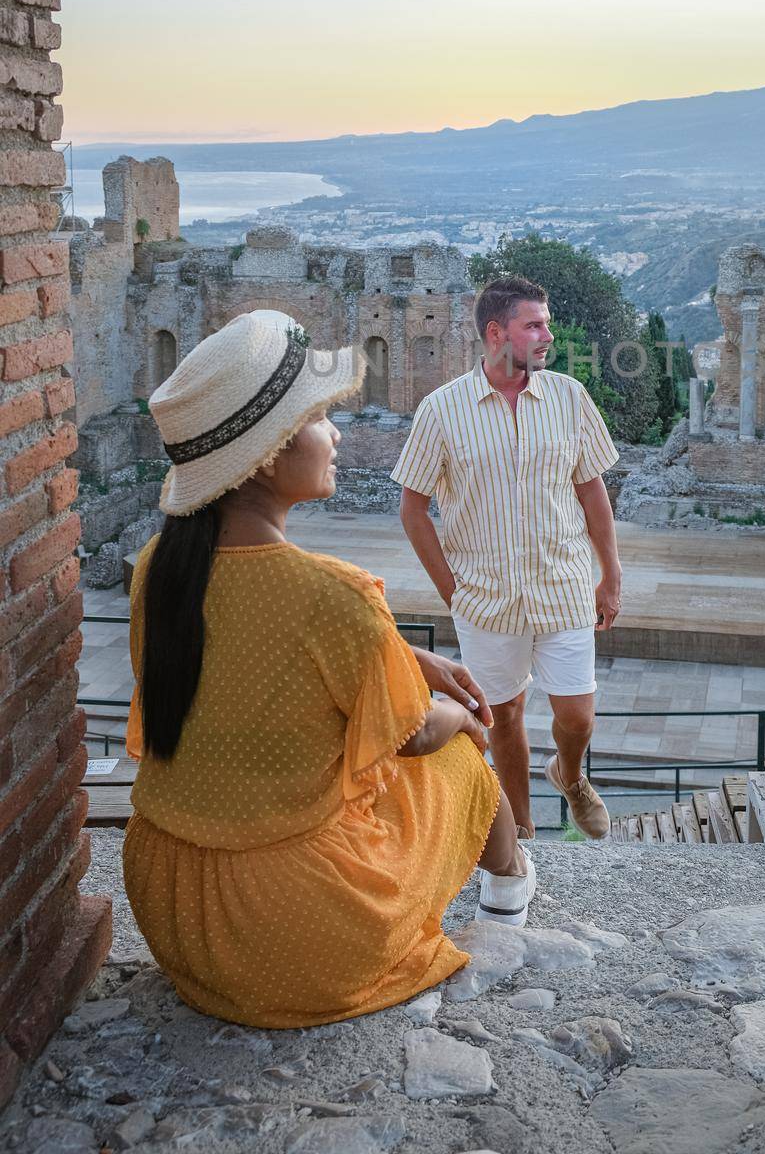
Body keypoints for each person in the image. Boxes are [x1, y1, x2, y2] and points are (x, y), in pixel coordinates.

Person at [122, 310, 533, 1031]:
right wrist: (464, 717)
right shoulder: (331, 593)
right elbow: (411, 734)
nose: (336, 433)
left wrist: (407, 657)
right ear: (264, 456)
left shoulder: (159, 568)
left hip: (176, 909)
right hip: (299, 928)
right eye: (318, 417)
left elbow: (244, 650)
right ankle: (510, 888)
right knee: (459, 754)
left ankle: (508, 885)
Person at [391, 275, 622, 841]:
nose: (548, 334)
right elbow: (413, 508)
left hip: (563, 586)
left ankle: (569, 774)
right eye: (534, 325)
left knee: (577, 715)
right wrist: (454, 592)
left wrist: (611, 574)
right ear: (497, 333)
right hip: (485, 601)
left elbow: (592, 490)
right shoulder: (441, 411)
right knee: (506, 717)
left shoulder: (569, 397)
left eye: (546, 322)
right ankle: (522, 831)